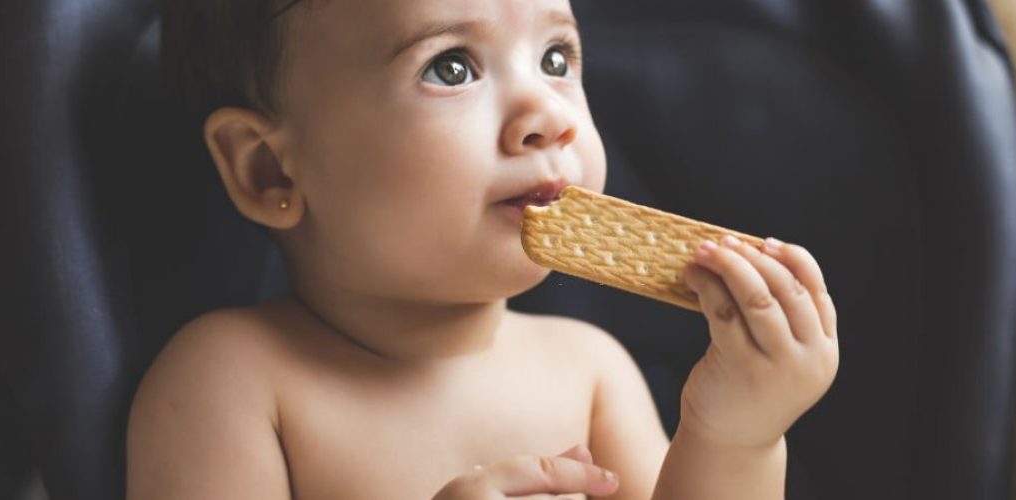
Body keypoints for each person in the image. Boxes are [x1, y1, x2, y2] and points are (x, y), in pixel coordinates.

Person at [127, 0, 840, 498]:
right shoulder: (230, 385)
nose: (548, 116)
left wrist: (738, 437)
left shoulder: (591, 373)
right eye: (452, 67)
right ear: (270, 169)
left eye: (556, 57)